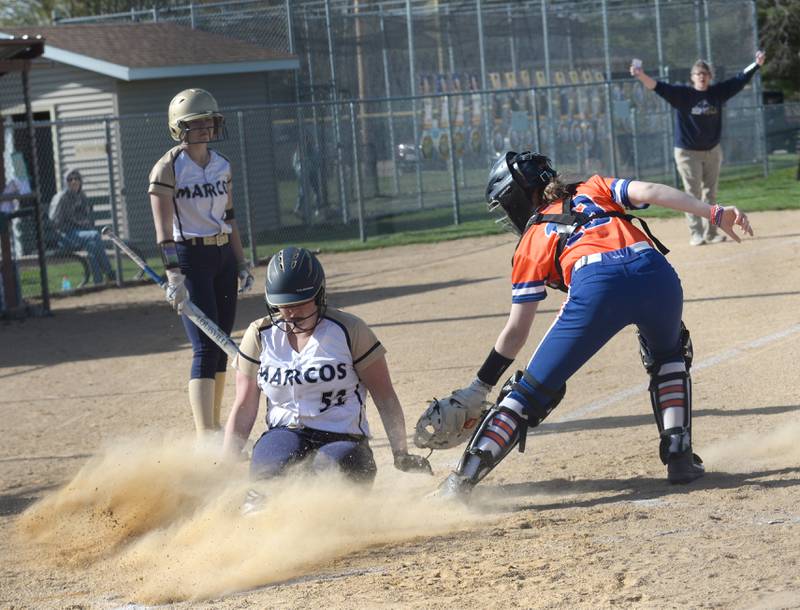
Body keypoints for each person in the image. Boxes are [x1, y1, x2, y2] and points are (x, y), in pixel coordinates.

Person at [414, 151, 753, 499]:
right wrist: (714, 212)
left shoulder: (532, 239)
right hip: (656, 274)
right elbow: (651, 190)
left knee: (527, 393)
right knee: (669, 355)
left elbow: (516, 332)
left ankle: (460, 483)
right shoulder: (593, 188)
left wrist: (479, 387)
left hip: (598, 286)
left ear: (517, 196)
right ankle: (680, 457)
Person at [223, 246, 431, 505]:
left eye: (300, 303)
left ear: (320, 295)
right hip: (285, 432)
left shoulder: (350, 330)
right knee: (268, 474)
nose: (291, 313)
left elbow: (385, 396)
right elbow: (244, 405)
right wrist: (225, 464)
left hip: (342, 437)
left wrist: (401, 452)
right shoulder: (259, 334)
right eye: (283, 305)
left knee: (327, 479)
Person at [148, 88, 255, 440]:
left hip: (222, 255)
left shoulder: (222, 164)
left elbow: (230, 217)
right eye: (197, 123)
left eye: (209, 121)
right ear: (179, 128)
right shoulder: (168, 168)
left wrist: (241, 261)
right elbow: (163, 230)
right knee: (204, 346)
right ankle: (203, 432)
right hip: (190, 258)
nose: (206, 128)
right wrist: (173, 275)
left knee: (223, 342)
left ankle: (215, 425)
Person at [630, 51, 765, 246]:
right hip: (687, 152)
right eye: (697, 73)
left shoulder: (717, 93)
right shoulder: (683, 95)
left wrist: (757, 64)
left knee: (710, 193)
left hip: (712, 150)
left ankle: (711, 233)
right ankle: (696, 233)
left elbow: (740, 79)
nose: (701, 76)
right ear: (692, 77)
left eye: (705, 73)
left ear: (710, 76)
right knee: (692, 194)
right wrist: (640, 74)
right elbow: (657, 87)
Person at [48, 168, 114, 285]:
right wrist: (73, 223)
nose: (74, 181)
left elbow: (86, 218)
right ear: (65, 182)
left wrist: (82, 225)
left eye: (77, 178)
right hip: (65, 236)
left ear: (80, 181)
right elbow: (54, 221)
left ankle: (98, 282)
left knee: (92, 245)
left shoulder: (82, 196)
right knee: (94, 235)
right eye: (70, 179)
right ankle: (109, 272)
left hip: (81, 234)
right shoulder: (61, 198)